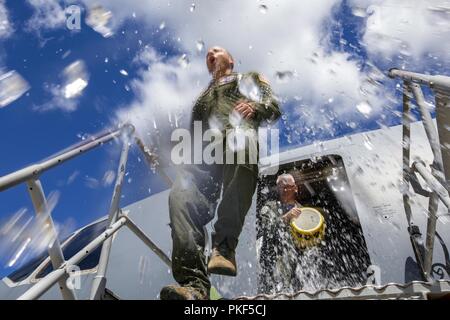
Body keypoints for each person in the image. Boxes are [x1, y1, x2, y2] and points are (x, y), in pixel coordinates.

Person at [160, 46, 281, 300]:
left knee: (242, 143)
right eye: (207, 53)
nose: (209, 53)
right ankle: (194, 285)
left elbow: (272, 104)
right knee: (179, 198)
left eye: (216, 49)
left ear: (231, 60)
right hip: (205, 157)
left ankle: (224, 247)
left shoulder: (249, 77)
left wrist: (257, 109)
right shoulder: (202, 98)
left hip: (236, 137)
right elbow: (193, 135)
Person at [258, 173, 304, 293]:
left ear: (295, 188)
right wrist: (286, 218)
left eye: (287, 186)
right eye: (280, 187)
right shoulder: (269, 207)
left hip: (297, 270)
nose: (283, 190)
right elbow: (267, 230)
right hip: (273, 268)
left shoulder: (303, 211)